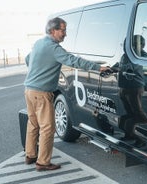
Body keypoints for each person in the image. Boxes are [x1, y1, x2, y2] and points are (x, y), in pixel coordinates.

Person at [24, 17, 108, 171]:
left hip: (29, 90)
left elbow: (28, 59)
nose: (65, 34)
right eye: (62, 30)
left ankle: (30, 155)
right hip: (42, 93)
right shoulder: (54, 48)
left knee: (33, 123)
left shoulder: (38, 43)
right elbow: (73, 61)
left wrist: (37, 72)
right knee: (48, 128)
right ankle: (42, 162)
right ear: (52, 30)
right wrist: (97, 67)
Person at [117, 35, 147, 145]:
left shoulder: (141, 55)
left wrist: (126, 67)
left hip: (134, 88)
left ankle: (141, 139)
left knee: (138, 114)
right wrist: (111, 68)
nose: (126, 46)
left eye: (129, 43)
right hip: (123, 87)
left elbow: (138, 64)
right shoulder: (125, 55)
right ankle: (129, 135)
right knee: (128, 114)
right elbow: (120, 65)